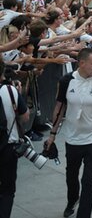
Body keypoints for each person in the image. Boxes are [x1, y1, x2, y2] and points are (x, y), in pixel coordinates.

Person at [45, 48, 92, 218]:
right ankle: (72, 201)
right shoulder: (66, 81)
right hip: (73, 138)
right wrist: (52, 134)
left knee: (88, 180)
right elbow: (59, 107)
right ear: (81, 63)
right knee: (71, 176)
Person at [0, 61, 29, 218]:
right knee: (7, 190)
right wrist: (18, 95)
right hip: (8, 147)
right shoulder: (10, 90)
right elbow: (24, 117)